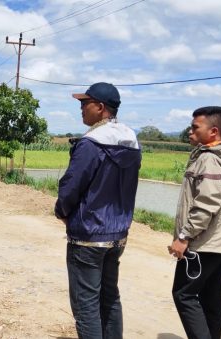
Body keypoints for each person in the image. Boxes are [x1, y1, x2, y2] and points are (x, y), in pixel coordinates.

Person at [55, 82, 141, 338]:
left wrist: (62, 210)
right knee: (110, 297)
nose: (81, 108)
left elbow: (72, 186)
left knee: (86, 305)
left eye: (85, 103)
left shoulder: (91, 143)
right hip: (117, 233)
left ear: (101, 107)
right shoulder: (131, 141)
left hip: (89, 235)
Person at [168, 106, 221, 339]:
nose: (190, 131)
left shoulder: (210, 160)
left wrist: (184, 237)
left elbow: (206, 204)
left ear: (213, 131)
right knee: (211, 300)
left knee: (184, 294)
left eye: (195, 127)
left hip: (205, 243)